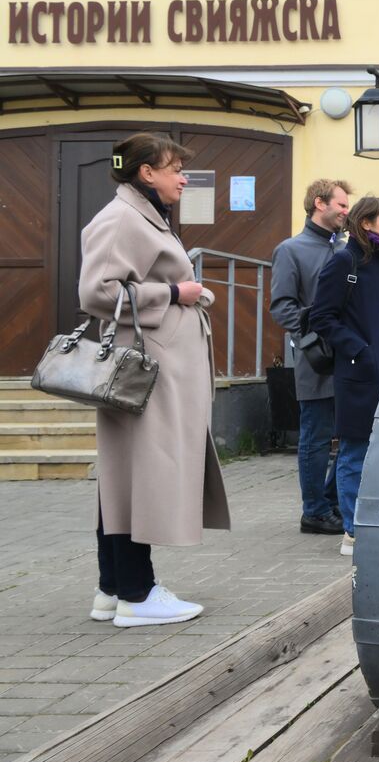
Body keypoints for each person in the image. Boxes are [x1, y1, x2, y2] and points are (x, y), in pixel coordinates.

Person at [77, 132, 229, 627]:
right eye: (174, 168)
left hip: (152, 363)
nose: (183, 177)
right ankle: (138, 595)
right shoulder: (122, 218)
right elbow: (96, 292)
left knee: (125, 477)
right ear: (147, 172)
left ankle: (113, 589)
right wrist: (174, 291)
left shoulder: (143, 215)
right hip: (143, 368)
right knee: (137, 476)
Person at [308, 196, 379, 556]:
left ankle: (372, 522)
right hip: (359, 374)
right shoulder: (344, 261)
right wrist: (359, 351)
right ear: (367, 224)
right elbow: (322, 317)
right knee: (354, 451)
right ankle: (352, 531)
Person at [269, 178, 350, 536]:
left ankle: (331, 501)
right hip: (316, 360)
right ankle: (314, 512)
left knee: (351, 435)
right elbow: (282, 307)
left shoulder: (346, 249)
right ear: (320, 203)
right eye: (342, 205)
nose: (347, 212)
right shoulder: (291, 249)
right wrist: (313, 338)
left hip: (350, 357)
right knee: (316, 438)